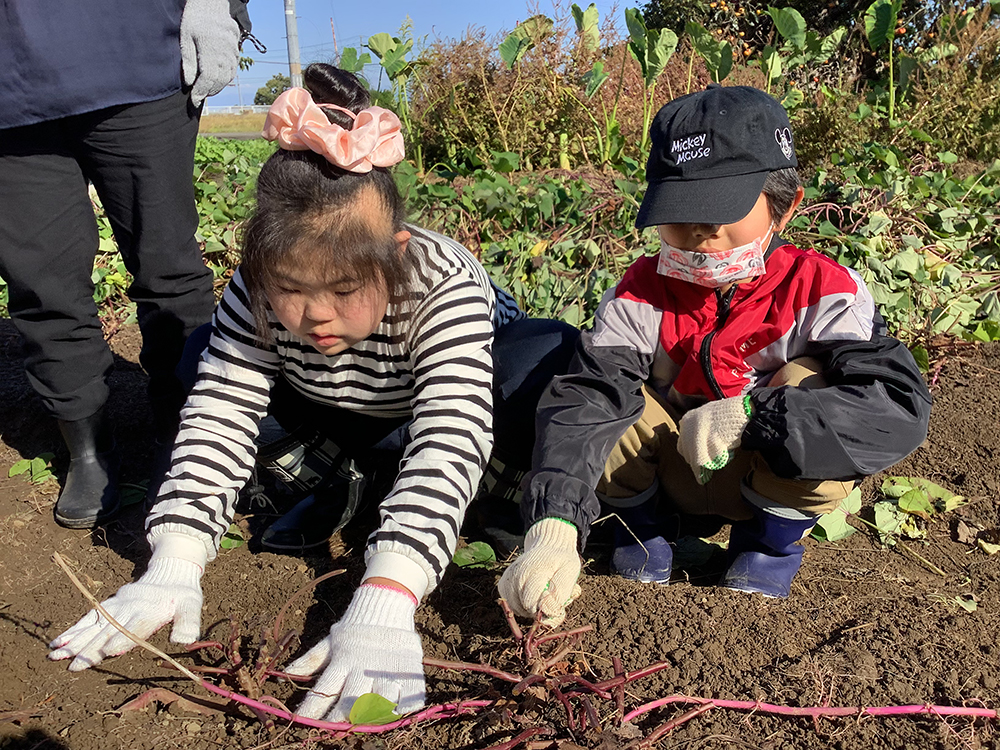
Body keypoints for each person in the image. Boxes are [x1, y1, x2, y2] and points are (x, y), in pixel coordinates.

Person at [47, 64, 579, 722]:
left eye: (343, 291)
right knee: (198, 361)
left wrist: (385, 598)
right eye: (290, 291)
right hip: (329, 405)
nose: (314, 316)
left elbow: (451, 428)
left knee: (542, 357)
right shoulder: (253, 286)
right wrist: (175, 560)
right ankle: (353, 480)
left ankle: (435, 499)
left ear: (396, 252)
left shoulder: (442, 283)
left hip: (422, 410)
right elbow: (220, 410)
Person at [499, 84, 932, 626]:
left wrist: (756, 416)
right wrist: (554, 526)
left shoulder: (825, 290)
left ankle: (766, 547)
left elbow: (896, 408)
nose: (701, 233)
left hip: (767, 472)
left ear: (786, 206)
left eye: (722, 211)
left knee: (809, 379)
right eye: (681, 213)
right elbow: (588, 399)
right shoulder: (639, 291)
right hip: (667, 471)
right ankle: (644, 535)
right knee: (609, 400)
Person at [0, 0, 242, 528]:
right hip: (9, 84)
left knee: (168, 267)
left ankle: (187, 435)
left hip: (137, 57)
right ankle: (86, 447)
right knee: (42, 285)